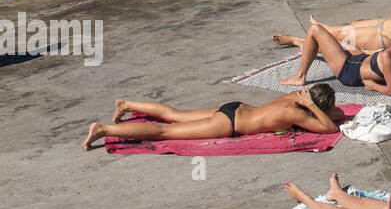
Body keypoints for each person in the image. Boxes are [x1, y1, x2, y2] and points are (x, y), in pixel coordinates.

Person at [82, 85, 344, 151]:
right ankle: (105, 129)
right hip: (229, 124)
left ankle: (126, 104)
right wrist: (314, 107)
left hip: (234, 108)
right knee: (165, 132)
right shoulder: (296, 113)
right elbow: (330, 128)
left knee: (174, 115)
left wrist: (312, 102)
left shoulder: (294, 98)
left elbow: (338, 113)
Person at [279, 10, 391, 94]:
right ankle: (302, 43)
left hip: (349, 71)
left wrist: (373, 86)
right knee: (337, 42)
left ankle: (300, 76)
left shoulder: (388, 55)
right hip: (363, 59)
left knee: (315, 30)